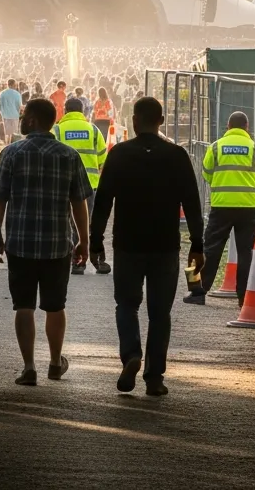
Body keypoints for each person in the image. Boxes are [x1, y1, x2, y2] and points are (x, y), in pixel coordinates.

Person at [91, 97, 204, 396]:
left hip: (128, 245)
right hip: (165, 246)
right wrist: (197, 245)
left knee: (126, 305)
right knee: (160, 313)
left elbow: (103, 201)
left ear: (135, 121)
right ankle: (154, 377)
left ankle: (131, 355)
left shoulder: (120, 154)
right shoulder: (177, 155)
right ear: (161, 121)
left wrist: (95, 240)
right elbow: (192, 203)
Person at [0, 98, 92, 386]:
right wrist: (84, 240)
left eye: (24, 115)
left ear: (32, 120)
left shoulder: (11, 153)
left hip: (20, 244)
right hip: (57, 245)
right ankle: (56, 362)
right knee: (55, 306)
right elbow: (79, 203)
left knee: (24, 306)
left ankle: (29, 367)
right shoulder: (69, 156)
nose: (21, 118)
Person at [186, 111, 255, 307]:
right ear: (247, 127)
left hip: (221, 205)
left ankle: (197, 292)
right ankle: (244, 298)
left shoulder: (216, 147)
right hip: (248, 206)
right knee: (246, 252)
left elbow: (206, 173)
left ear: (228, 127)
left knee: (209, 249)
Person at [53, 97, 108, 275]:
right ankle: (95, 260)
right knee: (86, 222)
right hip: (89, 185)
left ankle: (73, 260)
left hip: (63, 185)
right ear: (83, 111)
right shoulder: (93, 130)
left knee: (66, 222)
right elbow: (103, 159)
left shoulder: (57, 130)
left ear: (65, 111)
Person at [0, 78, 23, 145]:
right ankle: (12, 145)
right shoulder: (17, 94)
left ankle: (7, 145)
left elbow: (0, 106)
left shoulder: (2, 93)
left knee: (7, 133)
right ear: (14, 85)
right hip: (15, 115)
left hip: (5, 115)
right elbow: (19, 106)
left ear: (8, 84)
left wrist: (1, 113)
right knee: (14, 133)